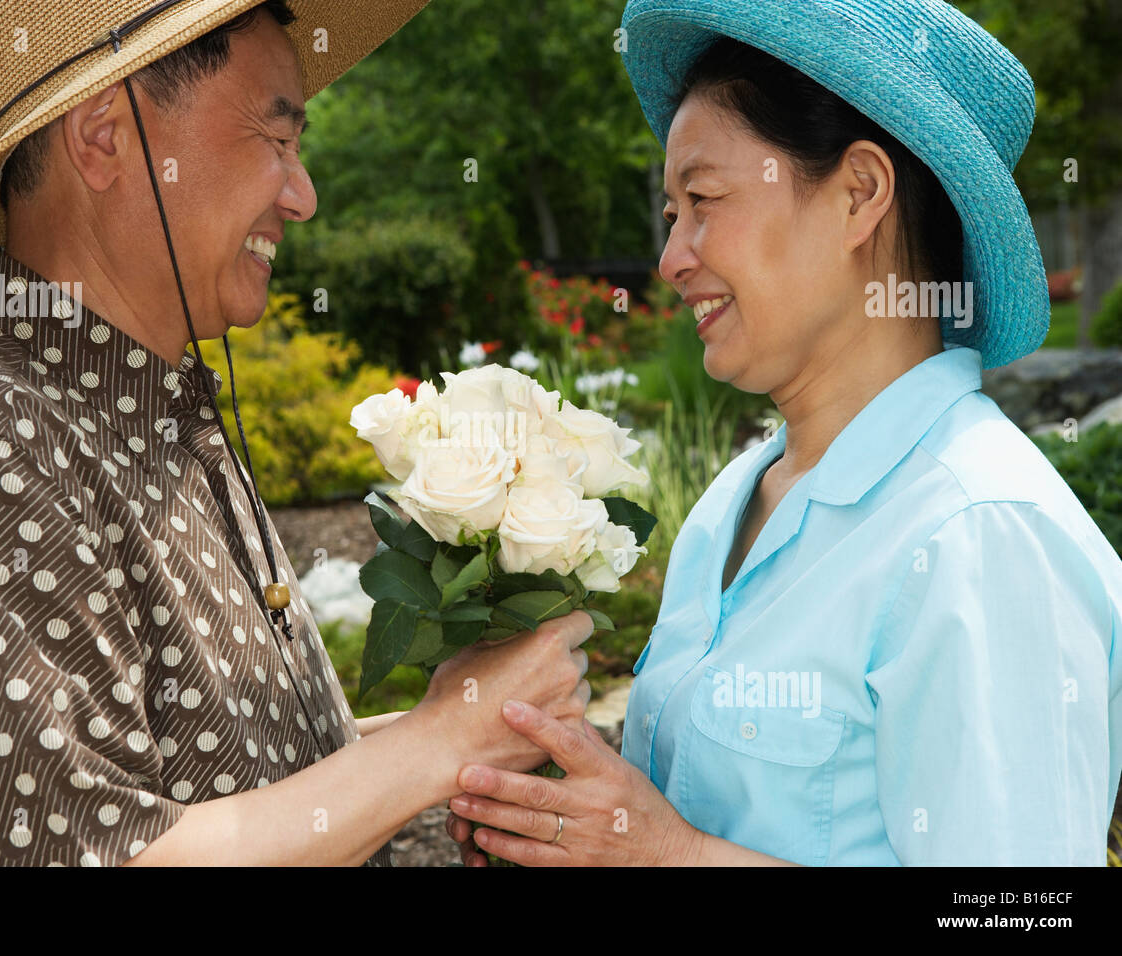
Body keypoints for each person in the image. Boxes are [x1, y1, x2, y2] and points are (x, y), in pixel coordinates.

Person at [0, 0, 596, 867]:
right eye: (274, 139)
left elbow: (232, 770)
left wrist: (472, 733)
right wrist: (441, 743)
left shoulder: (147, 403)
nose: (301, 197)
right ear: (105, 136)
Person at [447, 0, 1122, 865]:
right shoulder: (735, 501)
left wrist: (668, 857)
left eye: (703, 199)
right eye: (670, 213)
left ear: (858, 196)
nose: (671, 258)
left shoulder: (979, 535)